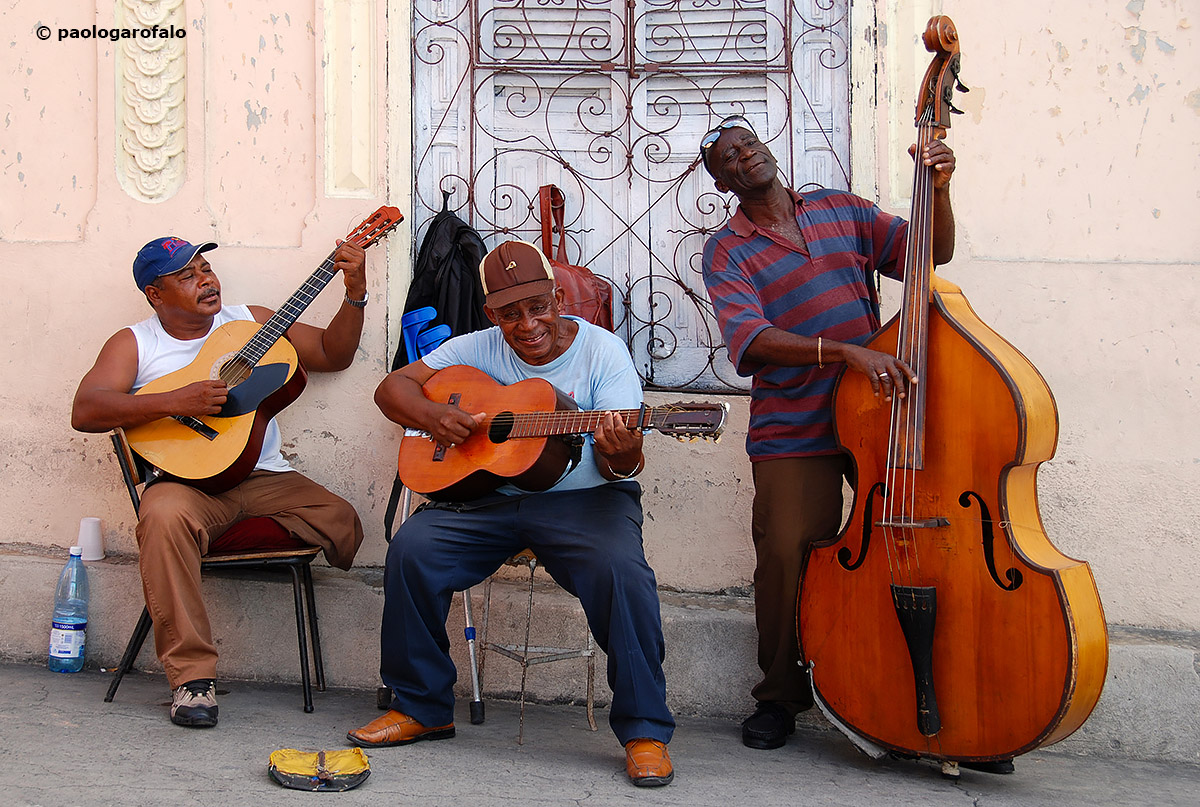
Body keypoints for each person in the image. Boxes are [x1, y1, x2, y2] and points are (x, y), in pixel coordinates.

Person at [349, 239, 676, 787]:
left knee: (621, 571)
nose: (527, 324)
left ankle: (645, 731)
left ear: (557, 295)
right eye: (510, 313)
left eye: (537, 307)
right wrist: (433, 415)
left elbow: (624, 466)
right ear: (490, 314)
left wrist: (624, 448)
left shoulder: (603, 352)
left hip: (585, 500)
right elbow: (391, 389)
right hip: (485, 500)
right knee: (411, 549)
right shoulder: (472, 348)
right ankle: (421, 708)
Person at [699, 115, 968, 754]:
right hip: (794, 427)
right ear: (723, 181)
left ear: (767, 150)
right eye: (727, 157)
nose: (743, 155)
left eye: (747, 142)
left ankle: (927, 689)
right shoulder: (728, 249)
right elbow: (751, 338)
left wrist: (940, 187)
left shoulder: (841, 209)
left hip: (879, 415)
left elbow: (931, 255)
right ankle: (781, 698)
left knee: (919, 546)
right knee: (788, 553)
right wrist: (843, 352)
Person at [71, 235, 368, 728]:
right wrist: (173, 401)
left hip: (263, 477)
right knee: (161, 517)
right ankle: (192, 680)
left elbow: (334, 355)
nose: (205, 281)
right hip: (186, 485)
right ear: (155, 294)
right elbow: (86, 410)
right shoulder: (136, 342)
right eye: (186, 276)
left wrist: (354, 291)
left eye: (205, 269)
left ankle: (198, 553)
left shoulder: (251, 321)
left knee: (343, 520)